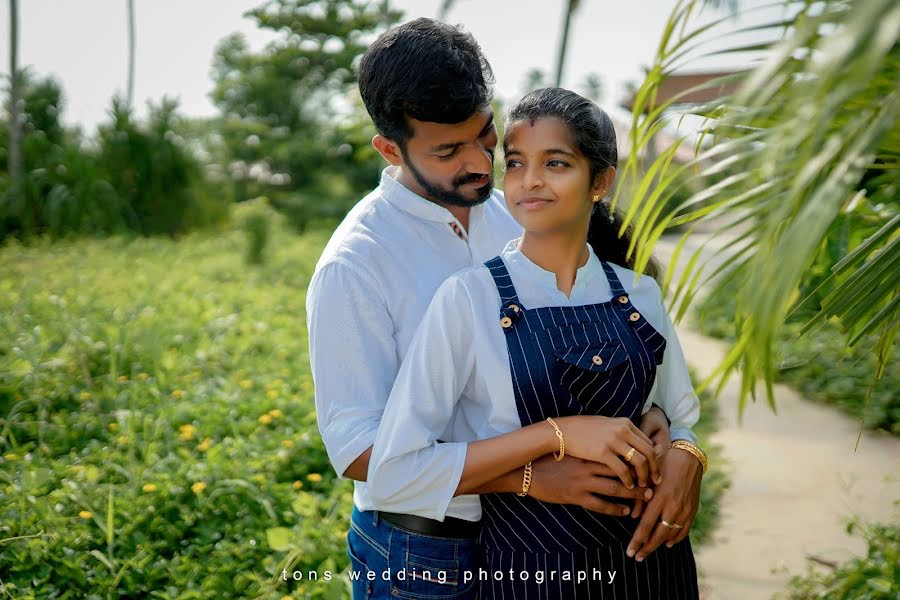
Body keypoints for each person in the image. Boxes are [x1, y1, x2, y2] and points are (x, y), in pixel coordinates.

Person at [307, 18, 690, 600]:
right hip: (426, 549)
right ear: (390, 149)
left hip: (546, 537)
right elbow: (363, 453)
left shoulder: (519, 209)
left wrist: (657, 420)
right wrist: (534, 475)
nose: (482, 164)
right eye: (447, 150)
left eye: (486, 136)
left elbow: (609, 324)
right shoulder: (356, 264)